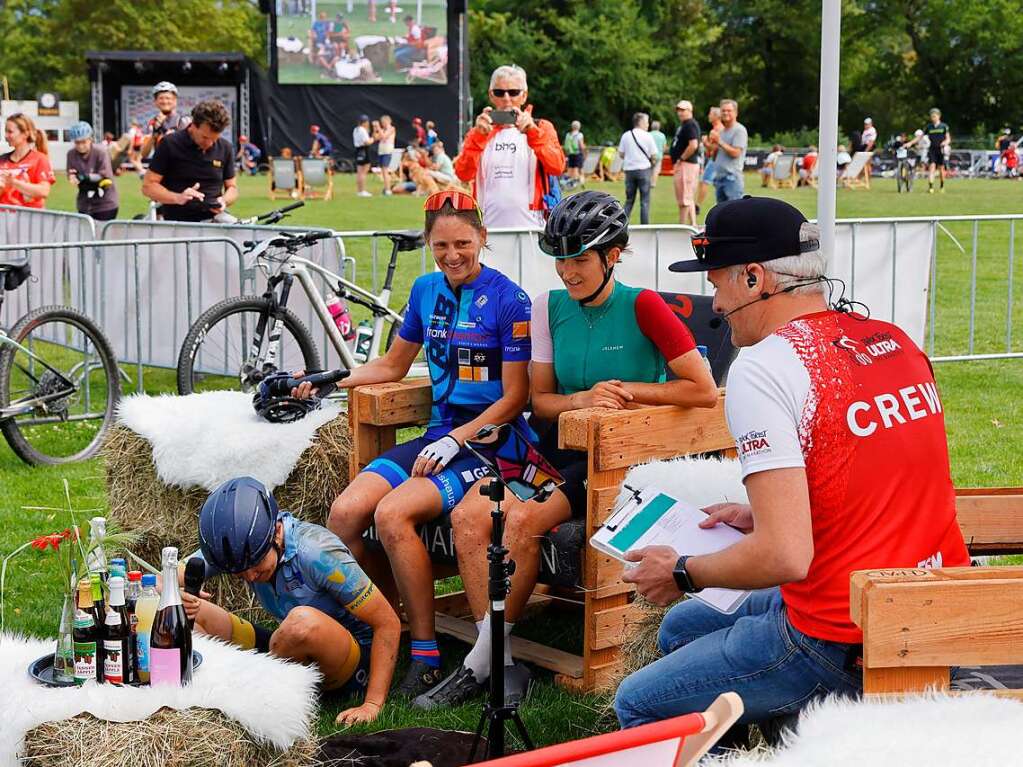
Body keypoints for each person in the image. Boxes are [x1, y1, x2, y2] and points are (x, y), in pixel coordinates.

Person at [613, 197, 970, 744]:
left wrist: (680, 570)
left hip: (837, 635)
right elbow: (877, 478)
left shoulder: (764, 367)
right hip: (925, 604)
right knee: (683, 628)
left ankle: (756, 743)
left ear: (754, 278)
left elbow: (785, 556)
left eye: (718, 282)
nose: (715, 300)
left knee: (637, 704)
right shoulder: (893, 340)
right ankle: (762, 738)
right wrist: (765, 513)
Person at [418, 191, 719, 709]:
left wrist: (627, 389)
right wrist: (581, 398)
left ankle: (478, 665)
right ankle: (501, 657)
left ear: (614, 254)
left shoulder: (644, 304)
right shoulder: (548, 307)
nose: (567, 272)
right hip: (556, 452)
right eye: (560, 259)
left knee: (522, 522)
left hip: (620, 462)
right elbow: (540, 401)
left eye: (580, 258)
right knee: (471, 516)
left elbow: (704, 390)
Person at [292, 190, 533, 700]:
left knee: (391, 514)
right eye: (441, 244)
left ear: (483, 239)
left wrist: (457, 440)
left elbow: (516, 397)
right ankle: (387, 626)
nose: (452, 255)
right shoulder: (425, 291)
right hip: (437, 436)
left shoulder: (511, 299)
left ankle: (423, 654)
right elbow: (392, 367)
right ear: (428, 243)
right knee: (344, 515)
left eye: (463, 243)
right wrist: (330, 378)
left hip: (490, 444)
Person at [183, 477, 400, 726]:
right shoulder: (238, 549)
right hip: (288, 648)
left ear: (276, 532)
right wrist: (178, 592)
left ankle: (249, 691)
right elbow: (168, 576)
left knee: (300, 623)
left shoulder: (318, 552)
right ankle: (215, 687)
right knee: (191, 612)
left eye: (255, 565)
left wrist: (372, 704)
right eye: (239, 573)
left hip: (350, 660)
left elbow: (388, 622)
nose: (250, 576)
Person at [453, 64, 566, 229]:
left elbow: (557, 167)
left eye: (513, 92)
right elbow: (463, 173)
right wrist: (478, 137)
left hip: (533, 228)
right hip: (488, 229)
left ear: (524, 96)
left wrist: (532, 132)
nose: (506, 98)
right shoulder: (479, 132)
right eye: (499, 92)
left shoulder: (542, 127)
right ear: (491, 95)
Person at [142, 100, 238, 222]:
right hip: (176, 222)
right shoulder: (169, 144)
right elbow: (148, 186)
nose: (209, 144)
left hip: (214, 221)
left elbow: (232, 188)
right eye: (205, 137)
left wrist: (223, 201)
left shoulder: (225, 147)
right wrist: (178, 198)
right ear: (193, 125)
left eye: (214, 139)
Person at [65, 121, 119, 221]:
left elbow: (104, 175)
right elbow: (70, 172)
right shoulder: (71, 154)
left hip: (105, 203)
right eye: (77, 143)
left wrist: (84, 177)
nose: (81, 146)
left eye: (84, 142)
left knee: (102, 234)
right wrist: (71, 177)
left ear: (90, 139)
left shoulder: (100, 152)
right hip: (84, 203)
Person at [0, 113, 54, 209]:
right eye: (5, 131)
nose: (6, 135)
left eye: (10, 132)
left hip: (30, 220)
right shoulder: (2, 160)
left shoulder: (40, 159)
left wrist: (14, 183)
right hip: (4, 219)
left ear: (25, 134)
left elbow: (44, 191)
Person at [617, 112, 658, 225]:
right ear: (641, 122)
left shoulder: (626, 135)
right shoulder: (647, 136)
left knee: (629, 200)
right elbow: (654, 155)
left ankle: (622, 225)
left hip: (629, 170)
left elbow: (621, 153)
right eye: (646, 122)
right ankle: (645, 225)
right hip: (644, 170)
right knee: (644, 201)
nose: (648, 124)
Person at [141, 82, 191, 159]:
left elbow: (192, 149)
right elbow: (144, 154)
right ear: (155, 102)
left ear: (175, 101)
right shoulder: (153, 123)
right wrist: (154, 134)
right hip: (159, 168)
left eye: (168, 98)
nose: (164, 101)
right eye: (161, 98)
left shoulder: (183, 121)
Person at [710, 99, 748, 203]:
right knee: (721, 214)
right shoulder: (722, 131)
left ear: (736, 113)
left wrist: (719, 141)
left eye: (729, 110)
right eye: (723, 110)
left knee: (734, 214)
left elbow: (736, 153)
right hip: (719, 177)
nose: (725, 113)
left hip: (732, 178)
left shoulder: (739, 130)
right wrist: (710, 146)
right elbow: (715, 156)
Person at [670, 100, 700, 225]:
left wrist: (681, 159)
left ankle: (681, 226)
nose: (680, 113)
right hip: (686, 164)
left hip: (686, 164)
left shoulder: (690, 125)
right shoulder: (684, 125)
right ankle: (693, 225)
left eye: (683, 110)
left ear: (690, 111)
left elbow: (693, 145)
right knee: (688, 197)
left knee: (684, 199)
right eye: (679, 110)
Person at [910, 108, 951, 193]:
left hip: (940, 149)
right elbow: (919, 137)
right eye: (932, 116)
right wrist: (910, 143)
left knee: (941, 169)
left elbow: (948, 139)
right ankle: (931, 187)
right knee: (931, 167)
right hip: (932, 149)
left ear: (939, 116)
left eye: (934, 116)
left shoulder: (944, 126)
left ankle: (942, 186)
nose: (933, 118)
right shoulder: (929, 127)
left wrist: (945, 143)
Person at [697, 106, 723, 211]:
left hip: (715, 160)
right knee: (710, 182)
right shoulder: (716, 129)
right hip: (714, 159)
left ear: (716, 116)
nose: (708, 116)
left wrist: (705, 142)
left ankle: (697, 206)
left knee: (705, 181)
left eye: (710, 114)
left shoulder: (718, 129)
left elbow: (715, 148)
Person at [353, 114, 376, 197]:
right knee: (364, 172)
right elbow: (367, 142)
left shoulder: (356, 129)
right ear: (365, 122)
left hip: (358, 150)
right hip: (364, 150)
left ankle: (359, 190)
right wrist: (373, 139)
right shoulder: (363, 130)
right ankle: (362, 191)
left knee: (359, 172)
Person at [563, 120, 586, 187]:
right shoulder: (579, 135)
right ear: (579, 127)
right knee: (578, 168)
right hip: (577, 153)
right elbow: (581, 145)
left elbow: (566, 145)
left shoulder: (568, 135)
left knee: (570, 168)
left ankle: (568, 183)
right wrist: (584, 151)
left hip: (570, 153)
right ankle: (577, 183)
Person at [648, 119, 667, 188]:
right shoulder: (662, 135)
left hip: (649, 155)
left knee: (649, 170)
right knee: (656, 170)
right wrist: (662, 152)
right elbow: (664, 147)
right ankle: (653, 183)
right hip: (659, 155)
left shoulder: (648, 134)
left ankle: (648, 182)